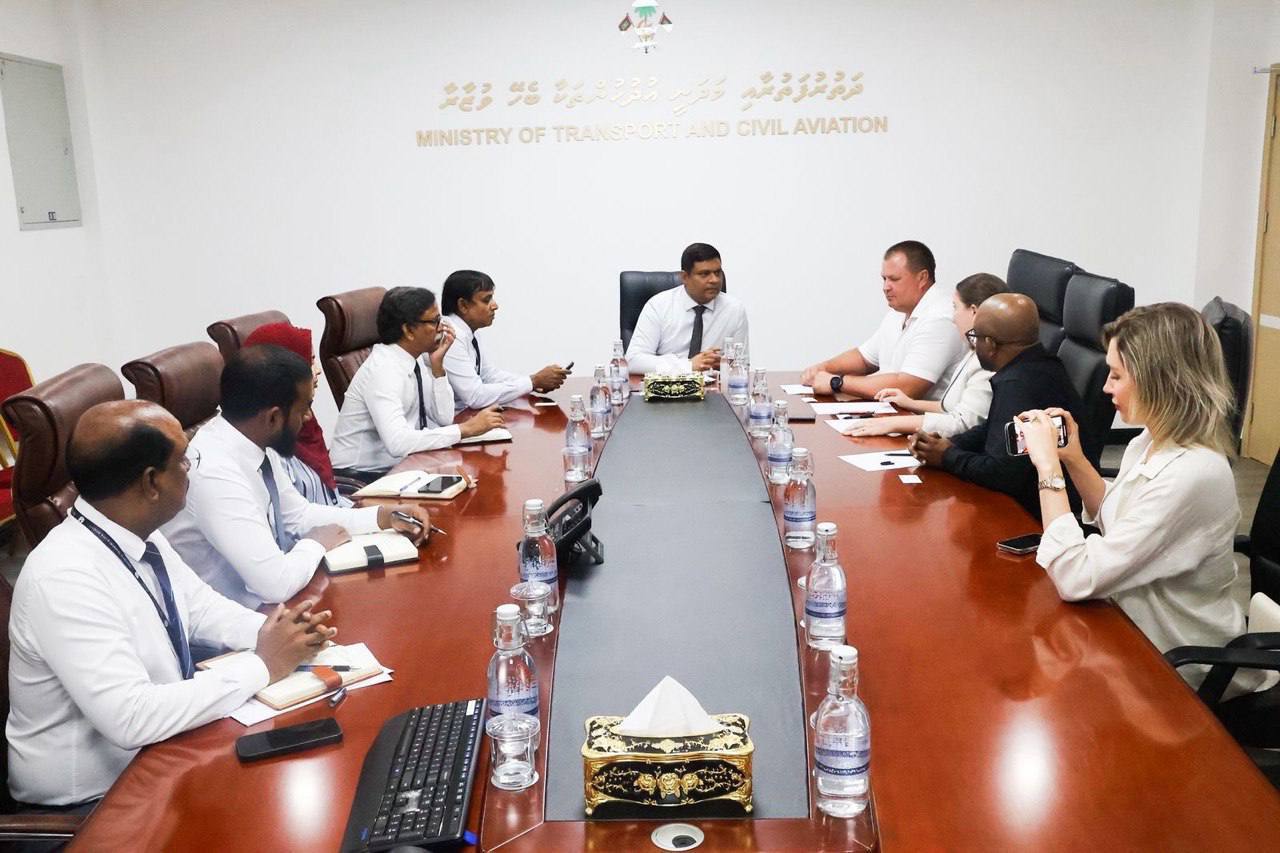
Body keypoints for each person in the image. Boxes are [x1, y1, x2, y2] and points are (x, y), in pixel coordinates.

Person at [7, 400, 336, 809]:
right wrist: (264, 664)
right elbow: (131, 718)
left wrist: (284, 633)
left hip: (164, 753)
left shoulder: (137, 532)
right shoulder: (64, 577)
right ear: (151, 482)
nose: (191, 469)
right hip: (93, 805)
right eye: (184, 460)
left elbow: (200, 610)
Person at [1019, 303, 1263, 692]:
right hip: (1132, 632)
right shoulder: (1151, 440)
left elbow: (1075, 577)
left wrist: (1048, 469)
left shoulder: (1192, 473)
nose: (1106, 387)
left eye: (1116, 375)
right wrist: (1074, 459)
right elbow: (1120, 518)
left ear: (1158, 380)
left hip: (1179, 665)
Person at [162, 345, 431, 609]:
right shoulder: (215, 473)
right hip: (243, 621)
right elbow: (274, 584)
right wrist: (315, 543)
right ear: (273, 417)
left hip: (281, 601)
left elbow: (298, 516)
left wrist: (382, 517)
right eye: (304, 408)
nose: (308, 416)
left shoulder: (254, 441)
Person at [907, 292, 1091, 516]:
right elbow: (996, 428)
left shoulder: (1018, 385)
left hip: (1039, 514)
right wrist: (947, 444)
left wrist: (946, 456)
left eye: (975, 337)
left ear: (990, 344)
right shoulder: (1043, 364)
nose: (973, 344)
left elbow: (1002, 474)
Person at [329, 286, 505, 479]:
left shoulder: (414, 359)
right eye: (435, 321)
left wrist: (437, 369)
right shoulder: (384, 370)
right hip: (361, 477)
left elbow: (443, 418)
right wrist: (466, 429)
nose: (442, 327)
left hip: (402, 466)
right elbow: (398, 443)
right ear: (409, 330)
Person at [844, 273, 1006, 438]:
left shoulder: (987, 362)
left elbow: (963, 423)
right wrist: (911, 403)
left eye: (955, 307)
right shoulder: (973, 352)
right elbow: (950, 407)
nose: (953, 317)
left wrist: (891, 423)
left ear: (974, 312)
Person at [803, 240, 966, 400]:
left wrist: (837, 382)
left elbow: (908, 387)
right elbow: (864, 359)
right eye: (884, 279)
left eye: (894, 279)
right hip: (891, 412)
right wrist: (824, 368)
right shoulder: (898, 312)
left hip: (922, 417)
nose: (885, 287)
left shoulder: (939, 318)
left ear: (922, 278)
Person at [244, 322, 349, 507]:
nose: (318, 370)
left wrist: (372, 513)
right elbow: (294, 518)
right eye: (311, 362)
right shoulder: (269, 443)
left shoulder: (304, 422)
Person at [441, 269, 570, 412]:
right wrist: (533, 381)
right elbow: (475, 396)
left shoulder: (469, 332)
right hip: (452, 420)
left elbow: (488, 375)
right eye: (486, 300)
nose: (495, 306)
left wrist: (533, 382)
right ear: (463, 305)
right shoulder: (449, 336)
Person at [625, 242, 749, 374]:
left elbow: (742, 365)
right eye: (704, 274)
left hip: (712, 384)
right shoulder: (659, 306)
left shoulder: (734, 310)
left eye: (717, 273)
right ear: (685, 277)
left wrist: (725, 365)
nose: (714, 280)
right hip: (668, 384)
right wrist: (688, 365)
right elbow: (633, 361)